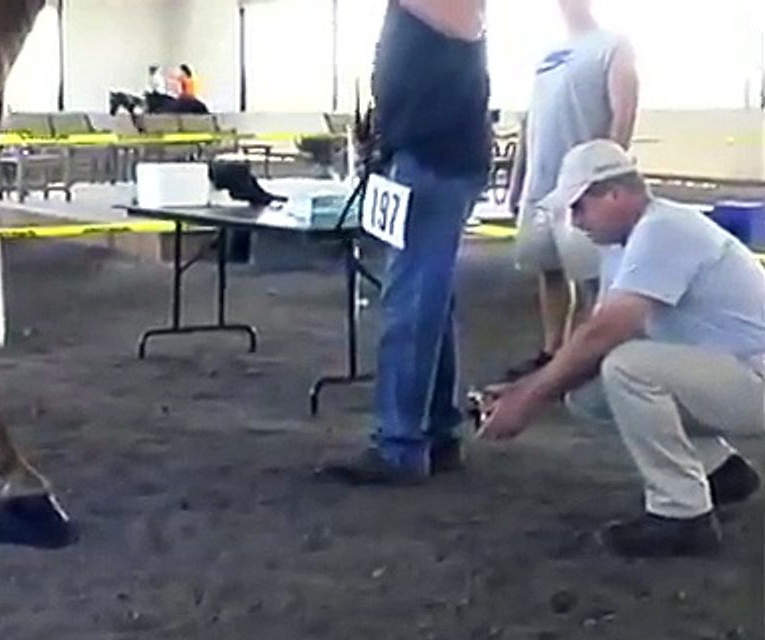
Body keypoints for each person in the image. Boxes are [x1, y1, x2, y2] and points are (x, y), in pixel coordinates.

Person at [480, 140, 765, 558]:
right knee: (589, 390)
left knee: (628, 367)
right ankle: (719, 473)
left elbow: (608, 332)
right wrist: (530, 387)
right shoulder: (625, 244)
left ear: (614, 193)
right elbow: (596, 337)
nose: (576, 222)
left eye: (579, 208)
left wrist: (529, 398)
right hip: (740, 371)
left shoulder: (665, 229)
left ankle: (682, 516)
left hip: (756, 374)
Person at [319, 0, 492, 484]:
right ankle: (436, 432)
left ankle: (399, 445)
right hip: (427, 155)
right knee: (428, 297)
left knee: (412, 299)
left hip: (433, 158)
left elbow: (461, 19)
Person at [505, 0, 639, 380]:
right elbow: (530, 123)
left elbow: (623, 111)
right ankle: (552, 353)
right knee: (547, 269)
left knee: (588, 278)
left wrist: (607, 176)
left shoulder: (613, 45)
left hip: (583, 185)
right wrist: (518, 183)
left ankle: (579, 363)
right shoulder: (548, 55)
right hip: (541, 185)